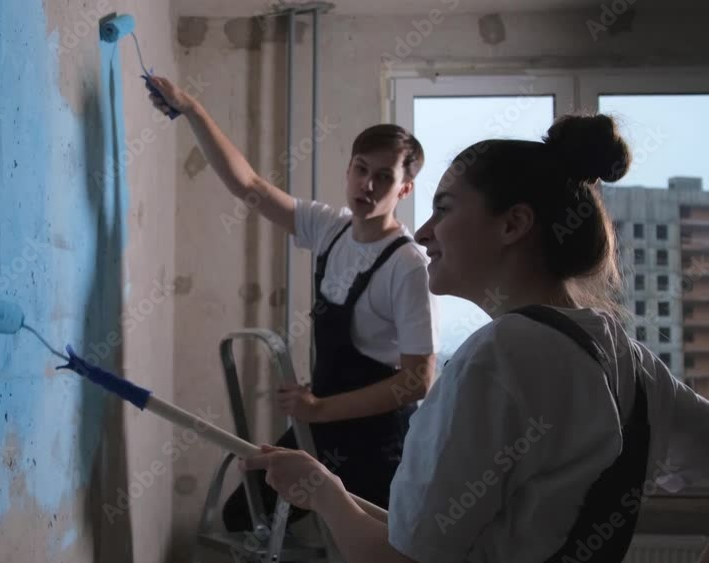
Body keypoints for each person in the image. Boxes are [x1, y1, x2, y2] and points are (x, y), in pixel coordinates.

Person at [241, 113, 709, 562]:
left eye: (443, 209)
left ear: (513, 224)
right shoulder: (632, 360)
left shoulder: (497, 357)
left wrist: (322, 491)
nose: (423, 232)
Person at [145, 76, 438, 530]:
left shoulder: (407, 266)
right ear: (348, 171)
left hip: (379, 441)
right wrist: (190, 109)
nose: (368, 184)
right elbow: (249, 185)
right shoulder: (330, 227)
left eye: (385, 177)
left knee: (371, 546)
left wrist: (319, 408)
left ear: (404, 190)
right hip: (321, 422)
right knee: (248, 516)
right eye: (361, 169)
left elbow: (418, 380)